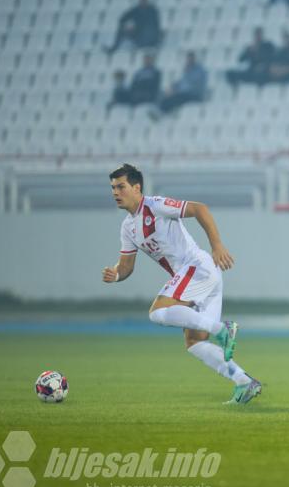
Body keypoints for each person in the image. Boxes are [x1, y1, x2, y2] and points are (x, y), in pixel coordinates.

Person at [101, 164, 262, 405]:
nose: (115, 192)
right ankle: (244, 382)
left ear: (137, 188)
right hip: (202, 276)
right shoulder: (128, 227)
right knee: (195, 342)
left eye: (121, 187)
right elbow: (126, 266)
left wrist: (217, 245)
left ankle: (222, 329)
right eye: (113, 187)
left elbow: (199, 209)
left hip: (198, 267)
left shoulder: (155, 205)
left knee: (157, 312)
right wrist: (115, 274)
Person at [151, 52, 208, 118]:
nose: (188, 61)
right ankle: (158, 111)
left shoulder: (199, 70)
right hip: (184, 93)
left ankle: (161, 114)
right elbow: (182, 82)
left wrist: (176, 90)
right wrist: (173, 87)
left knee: (174, 98)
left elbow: (193, 84)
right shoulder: (188, 70)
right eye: (188, 59)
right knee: (163, 93)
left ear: (194, 59)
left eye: (190, 58)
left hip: (194, 95)